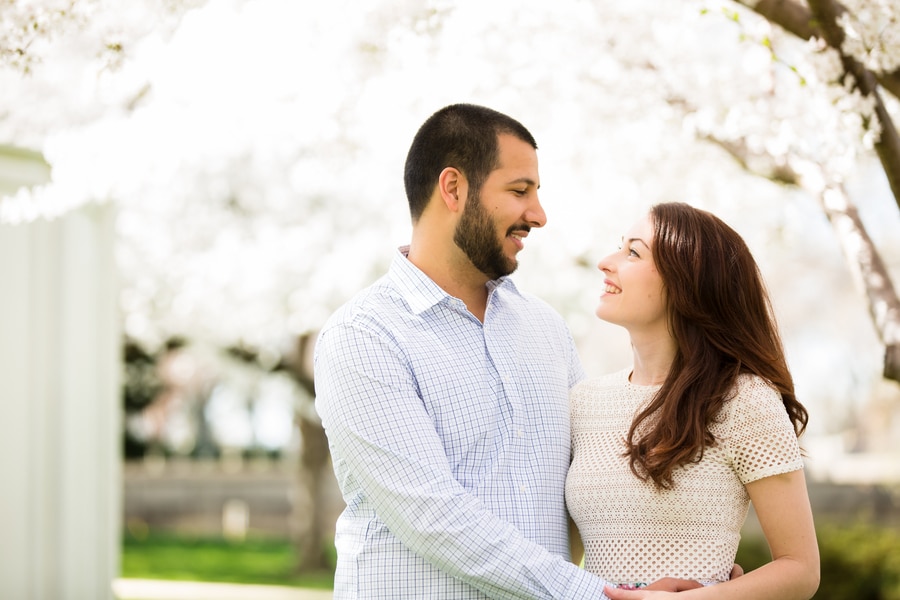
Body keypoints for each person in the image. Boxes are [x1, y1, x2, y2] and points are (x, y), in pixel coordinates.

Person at [314, 104, 702, 598]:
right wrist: (598, 598)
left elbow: (597, 482)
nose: (538, 215)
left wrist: (700, 566)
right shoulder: (364, 335)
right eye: (520, 191)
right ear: (453, 188)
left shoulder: (545, 329)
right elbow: (433, 517)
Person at [566, 202, 821, 600]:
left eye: (633, 252)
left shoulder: (745, 401)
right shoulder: (583, 403)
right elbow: (562, 565)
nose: (605, 262)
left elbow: (800, 570)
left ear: (686, 282)